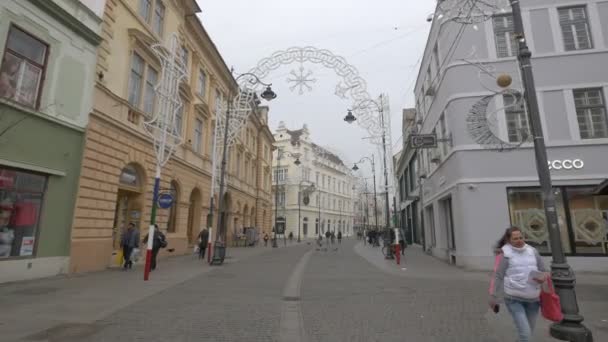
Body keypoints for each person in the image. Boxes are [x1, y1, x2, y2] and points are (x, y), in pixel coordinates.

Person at [489, 227, 547, 342]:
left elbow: (543, 270)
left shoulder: (533, 251)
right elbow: (498, 276)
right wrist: (493, 296)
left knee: (527, 333)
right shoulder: (505, 254)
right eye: (515, 238)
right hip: (514, 299)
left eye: (521, 237)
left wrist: (543, 277)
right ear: (509, 240)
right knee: (525, 334)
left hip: (533, 299)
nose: (519, 240)